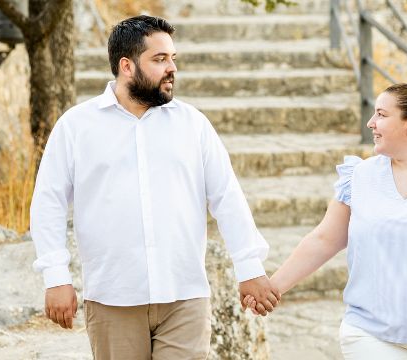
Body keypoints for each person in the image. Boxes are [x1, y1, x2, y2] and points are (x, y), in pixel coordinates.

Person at [29, 15, 279, 360]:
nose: (171, 68)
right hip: (113, 299)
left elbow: (227, 197)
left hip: (185, 297)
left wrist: (250, 267)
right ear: (127, 66)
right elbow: (48, 203)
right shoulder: (76, 127)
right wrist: (56, 276)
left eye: (173, 58)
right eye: (160, 59)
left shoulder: (193, 124)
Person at [247, 83, 407, 360]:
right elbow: (324, 239)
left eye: (382, 115)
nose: (371, 123)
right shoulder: (360, 176)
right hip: (369, 333)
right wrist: (272, 288)